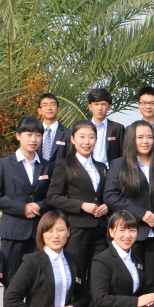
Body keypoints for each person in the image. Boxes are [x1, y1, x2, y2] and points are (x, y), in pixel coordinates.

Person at [104, 121, 154, 294]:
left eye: (149, 137)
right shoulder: (119, 164)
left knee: (153, 286)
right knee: (128, 285)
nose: (145, 141)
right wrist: (141, 214)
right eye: (140, 137)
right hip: (130, 234)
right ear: (130, 140)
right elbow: (110, 196)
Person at [0, 116, 54, 273]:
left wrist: (40, 206)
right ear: (18, 135)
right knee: (11, 278)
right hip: (13, 232)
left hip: (40, 232)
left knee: (39, 279)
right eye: (28, 134)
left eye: (38, 135)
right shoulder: (4, 164)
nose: (33, 139)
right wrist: (22, 208)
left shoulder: (48, 166)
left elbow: (54, 196)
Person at [46, 120, 109, 280]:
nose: (86, 142)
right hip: (76, 228)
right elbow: (52, 197)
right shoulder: (64, 165)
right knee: (76, 273)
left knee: (98, 274)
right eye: (82, 137)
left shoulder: (102, 167)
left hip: (100, 228)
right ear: (73, 139)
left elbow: (105, 195)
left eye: (91, 137)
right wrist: (81, 205)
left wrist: (107, 206)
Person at [87, 88, 124, 167]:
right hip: (88, 170)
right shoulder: (83, 128)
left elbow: (123, 154)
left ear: (109, 107)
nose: (100, 108)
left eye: (103, 104)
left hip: (111, 171)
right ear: (90, 106)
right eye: (96, 104)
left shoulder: (118, 128)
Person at [36, 93, 70, 163]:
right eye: (45, 105)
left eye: (52, 104)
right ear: (39, 110)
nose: (49, 108)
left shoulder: (68, 134)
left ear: (58, 109)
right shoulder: (33, 132)